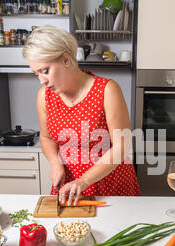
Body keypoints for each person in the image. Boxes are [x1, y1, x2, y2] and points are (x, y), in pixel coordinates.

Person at [23, 25, 141, 206]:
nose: (42, 80)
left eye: (45, 71)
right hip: (68, 186)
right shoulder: (44, 96)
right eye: (36, 74)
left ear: (65, 59)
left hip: (111, 184)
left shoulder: (107, 90)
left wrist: (84, 180)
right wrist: (55, 163)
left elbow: (122, 146)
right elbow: (46, 137)